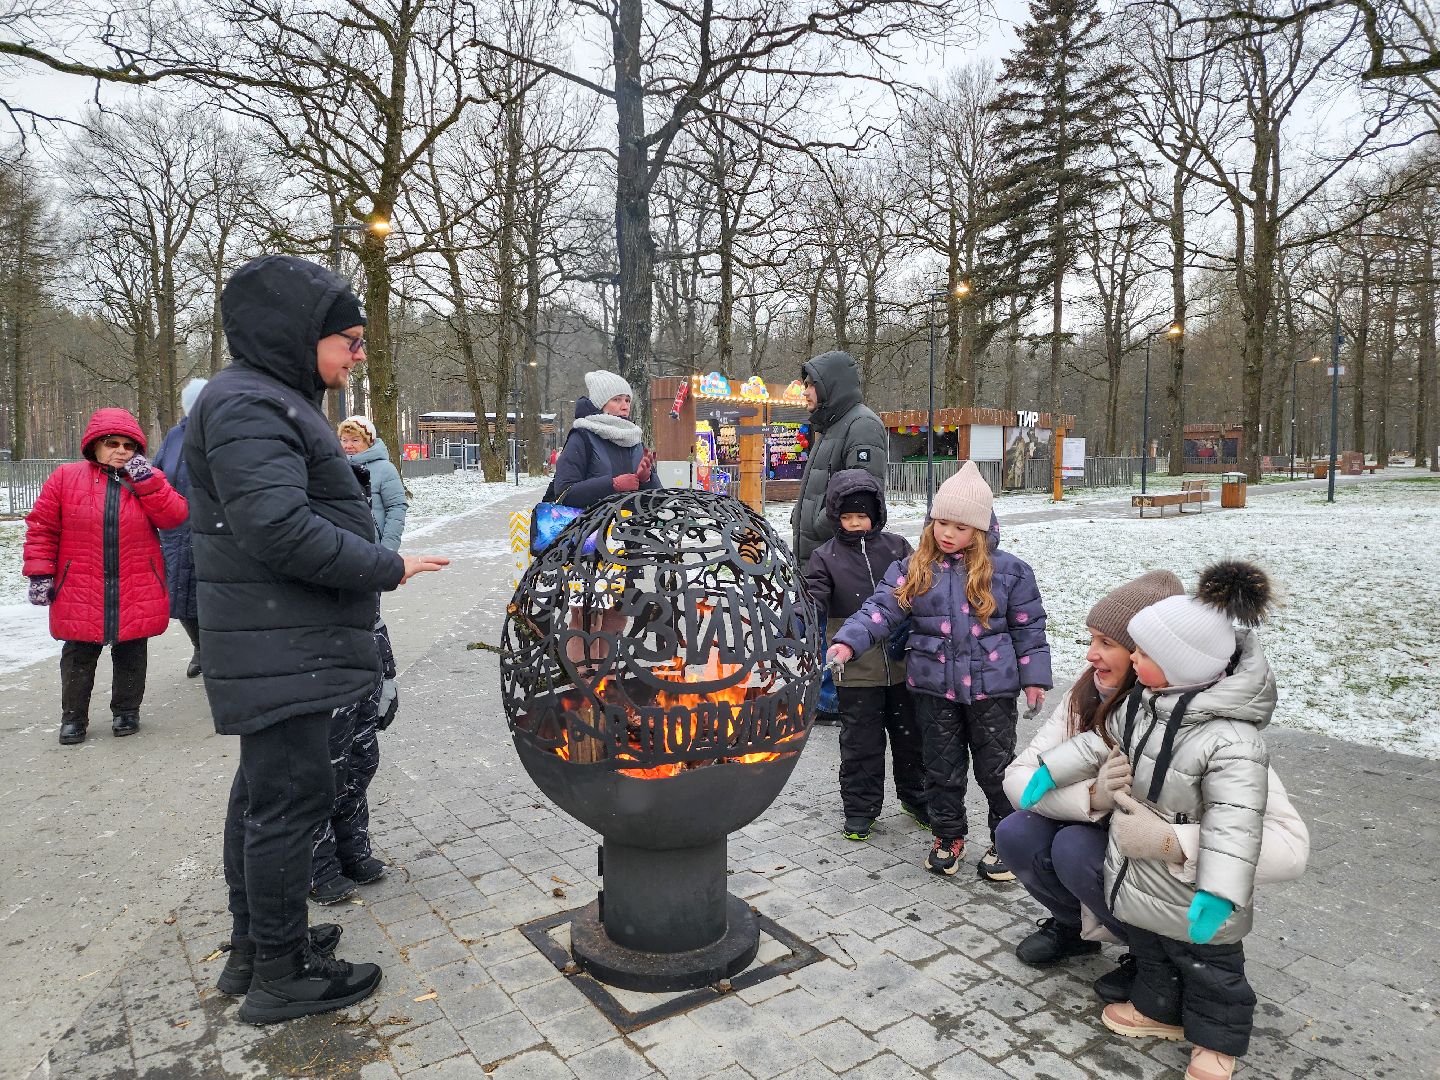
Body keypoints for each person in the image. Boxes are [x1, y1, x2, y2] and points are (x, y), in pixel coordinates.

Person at [185, 255, 448, 1024]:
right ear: (300, 335)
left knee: (264, 796)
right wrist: (387, 565)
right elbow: (277, 528)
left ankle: (257, 948)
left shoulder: (264, 398)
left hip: (281, 638)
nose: (358, 355)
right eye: (350, 340)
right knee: (287, 803)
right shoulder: (250, 405)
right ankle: (282, 974)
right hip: (281, 642)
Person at [997, 570, 1308, 1006]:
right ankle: (1074, 926)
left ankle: (1152, 955)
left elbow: (1288, 848)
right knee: (1017, 832)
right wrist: (1093, 798)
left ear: (1161, 657)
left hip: (1154, 867)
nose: (1089, 654)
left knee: (1073, 847)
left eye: (1107, 643)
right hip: (1109, 840)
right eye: (1091, 638)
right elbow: (1019, 777)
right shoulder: (1087, 695)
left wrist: (1171, 841)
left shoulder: (1209, 729)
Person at [826, 460, 1051, 879]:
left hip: (991, 690)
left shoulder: (1010, 572)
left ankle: (1007, 838)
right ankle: (948, 834)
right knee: (941, 768)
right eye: (940, 523)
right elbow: (880, 609)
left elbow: (1029, 630)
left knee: (996, 769)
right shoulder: (914, 568)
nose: (947, 533)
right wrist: (848, 641)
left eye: (959, 527)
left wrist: (1034, 678)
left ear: (979, 530)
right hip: (934, 688)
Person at [23, 408, 189, 744]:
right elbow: (42, 528)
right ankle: (73, 718)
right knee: (78, 655)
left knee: (131, 651)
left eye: (129, 445)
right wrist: (40, 574)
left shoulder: (146, 480)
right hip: (81, 584)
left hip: (135, 581)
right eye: (112, 443)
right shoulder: (65, 478)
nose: (121, 451)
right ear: (95, 445)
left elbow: (174, 516)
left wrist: (148, 481)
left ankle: (126, 712)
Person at [310, 415, 407, 905]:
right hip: (322, 659)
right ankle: (317, 863)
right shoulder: (308, 524)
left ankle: (352, 847)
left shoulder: (365, 496)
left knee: (360, 758)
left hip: (363, 647)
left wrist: (385, 673)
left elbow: (372, 611)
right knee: (323, 767)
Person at [802, 469, 924, 841]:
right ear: (835, 517)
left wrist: (914, 620)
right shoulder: (825, 557)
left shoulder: (897, 548)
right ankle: (860, 809)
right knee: (861, 744)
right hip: (855, 668)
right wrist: (802, 614)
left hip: (902, 664)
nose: (855, 524)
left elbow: (921, 585)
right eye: (847, 517)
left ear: (876, 514)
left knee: (911, 738)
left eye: (862, 516)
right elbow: (814, 596)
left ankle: (918, 798)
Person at [791, 350, 887, 569]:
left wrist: (820, 524)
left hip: (837, 562)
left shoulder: (861, 425)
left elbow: (862, 497)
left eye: (811, 385)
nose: (805, 392)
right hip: (819, 557)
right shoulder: (832, 426)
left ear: (830, 385)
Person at [154, 378, 208, 678]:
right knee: (180, 596)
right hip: (175, 530)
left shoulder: (224, 434)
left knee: (213, 595)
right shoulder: (174, 436)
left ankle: (219, 652)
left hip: (213, 529)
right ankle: (200, 648)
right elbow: (158, 474)